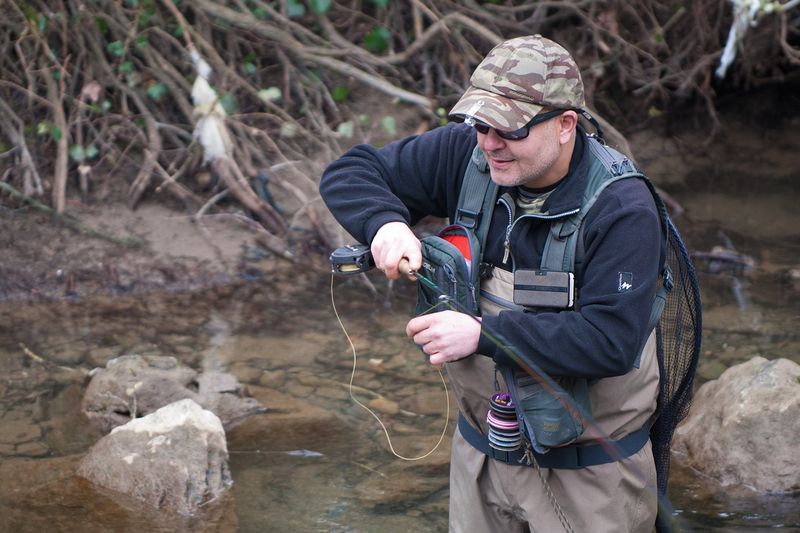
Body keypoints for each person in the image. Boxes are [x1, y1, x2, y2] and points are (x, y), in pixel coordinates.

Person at [320, 34, 663, 533]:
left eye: (510, 129)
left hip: (590, 471)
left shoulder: (624, 209)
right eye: (480, 124)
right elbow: (351, 171)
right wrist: (385, 224)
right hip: (481, 457)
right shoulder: (470, 155)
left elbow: (611, 342)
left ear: (566, 125)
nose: (489, 142)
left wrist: (483, 335)